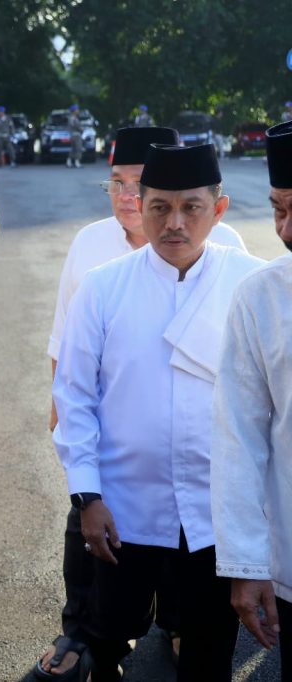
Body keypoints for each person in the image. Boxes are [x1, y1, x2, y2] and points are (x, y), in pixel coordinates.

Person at [39, 126, 248, 680]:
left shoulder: (246, 284)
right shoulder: (104, 287)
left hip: (212, 516)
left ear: (219, 209)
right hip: (121, 513)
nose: (173, 222)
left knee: (207, 651)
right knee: (105, 642)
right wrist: (87, 496)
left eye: (190, 207)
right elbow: (76, 396)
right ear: (140, 206)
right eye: (159, 207)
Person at [210, 120, 292, 679]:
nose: (287, 230)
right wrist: (246, 563)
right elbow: (238, 433)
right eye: (278, 209)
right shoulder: (262, 296)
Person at [66, 104, 84, 168]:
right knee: (78, 148)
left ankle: (69, 162)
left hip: (72, 135)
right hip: (76, 135)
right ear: (74, 110)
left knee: (73, 149)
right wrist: (81, 129)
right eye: (77, 109)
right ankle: (77, 162)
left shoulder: (70, 117)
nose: (78, 111)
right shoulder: (74, 118)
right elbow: (76, 126)